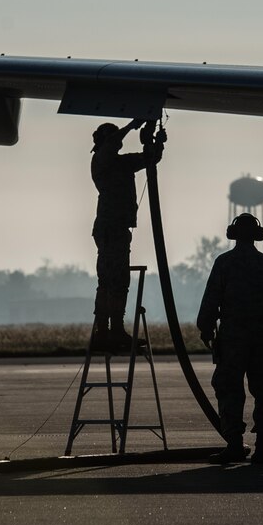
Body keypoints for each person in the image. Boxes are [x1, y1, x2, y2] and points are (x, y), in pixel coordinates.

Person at [196, 213, 263, 464]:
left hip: (233, 338)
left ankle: (234, 443)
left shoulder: (224, 263)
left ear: (233, 233)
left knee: (229, 389)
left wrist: (206, 328)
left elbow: (212, 298)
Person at [90, 118, 164, 351]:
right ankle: (105, 332)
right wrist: (133, 125)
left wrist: (154, 142)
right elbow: (112, 144)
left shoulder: (121, 163)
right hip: (109, 229)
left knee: (119, 280)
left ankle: (115, 330)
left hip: (118, 229)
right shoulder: (101, 161)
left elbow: (150, 160)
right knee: (109, 280)